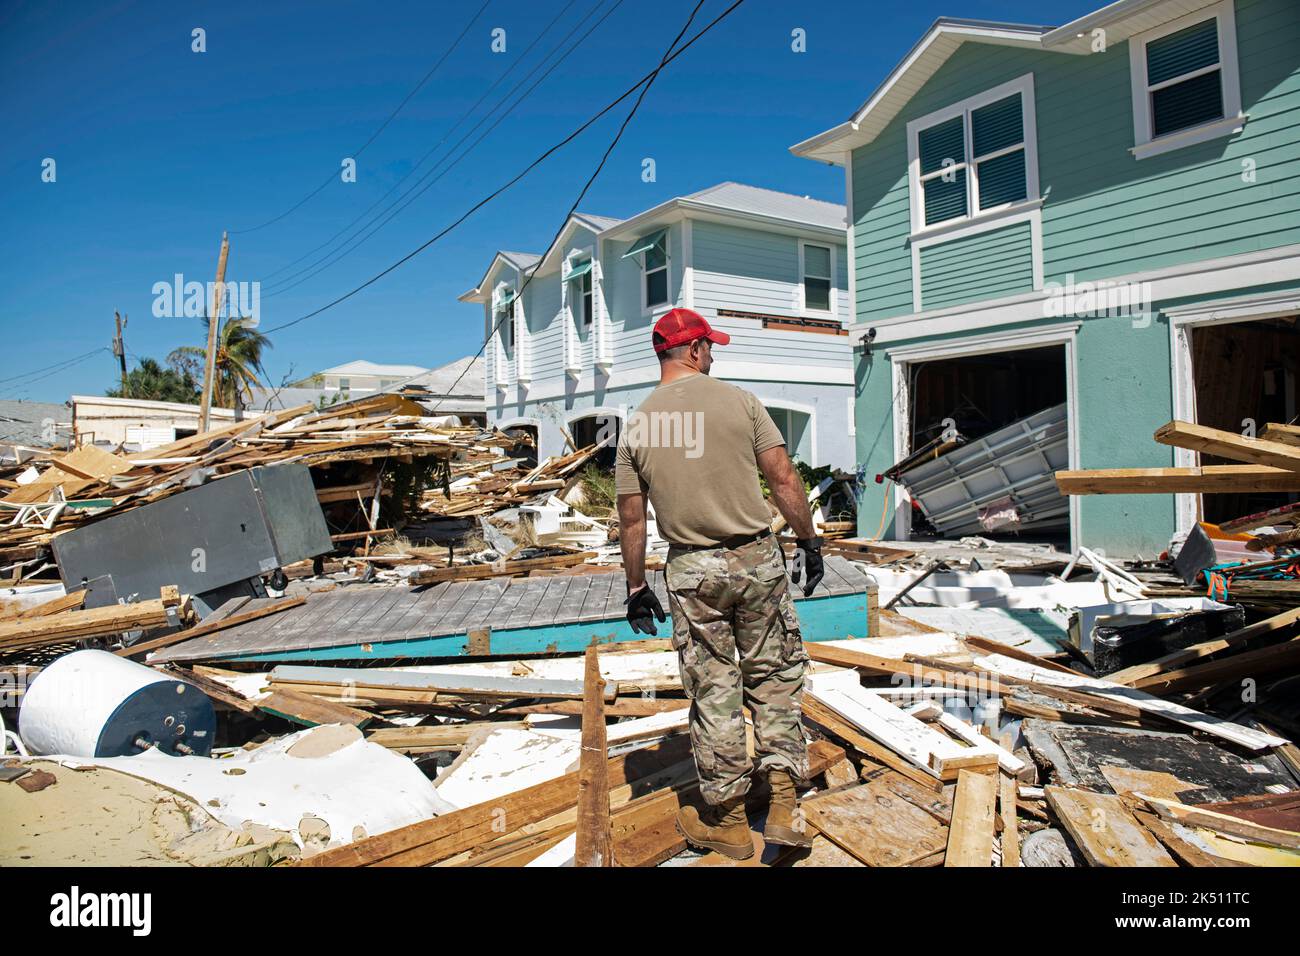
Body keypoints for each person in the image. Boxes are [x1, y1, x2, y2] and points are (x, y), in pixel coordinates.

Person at [614, 307, 824, 860]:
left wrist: (636, 587)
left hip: (692, 571)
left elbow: (631, 520)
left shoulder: (638, 424)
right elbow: (782, 478)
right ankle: (783, 806)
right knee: (774, 678)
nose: (714, 356)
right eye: (711, 347)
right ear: (695, 350)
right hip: (757, 561)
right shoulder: (741, 401)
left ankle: (729, 822)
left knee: (715, 693)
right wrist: (808, 540)